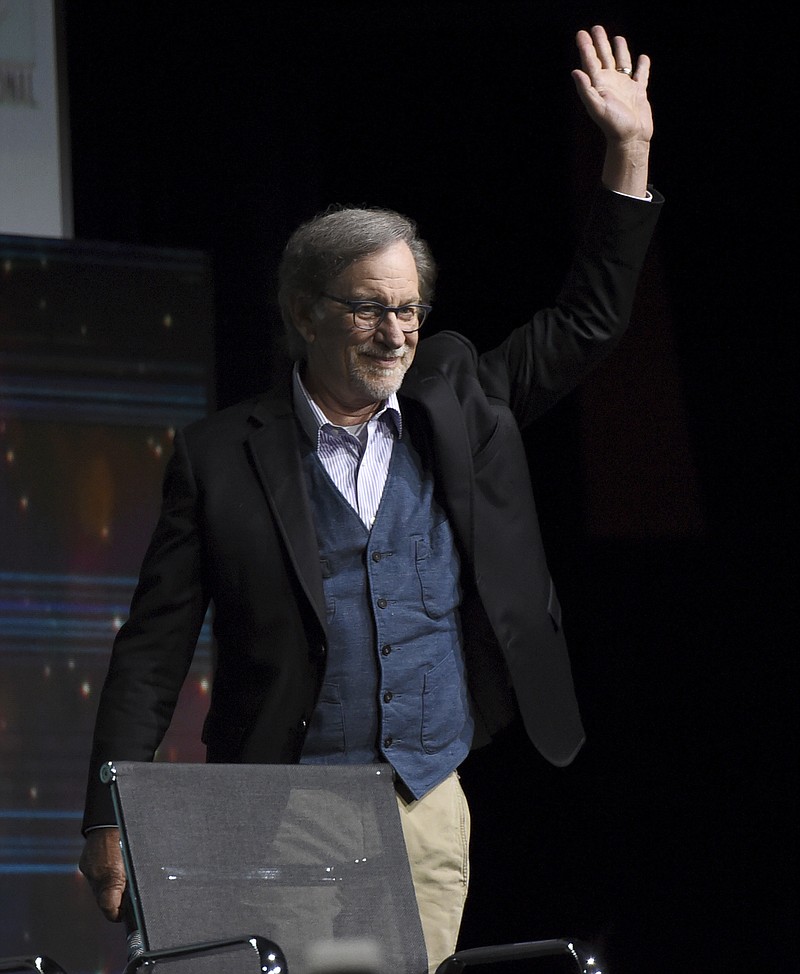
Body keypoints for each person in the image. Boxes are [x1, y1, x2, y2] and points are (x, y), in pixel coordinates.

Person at [79, 24, 661, 973]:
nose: (394, 332)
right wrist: (107, 817)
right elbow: (151, 654)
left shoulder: (459, 397)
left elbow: (588, 322)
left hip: (427, 799)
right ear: (305, 312)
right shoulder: (219, 456)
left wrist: (627, 154)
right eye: (367, 308)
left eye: (408, 309)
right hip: (277, 810)